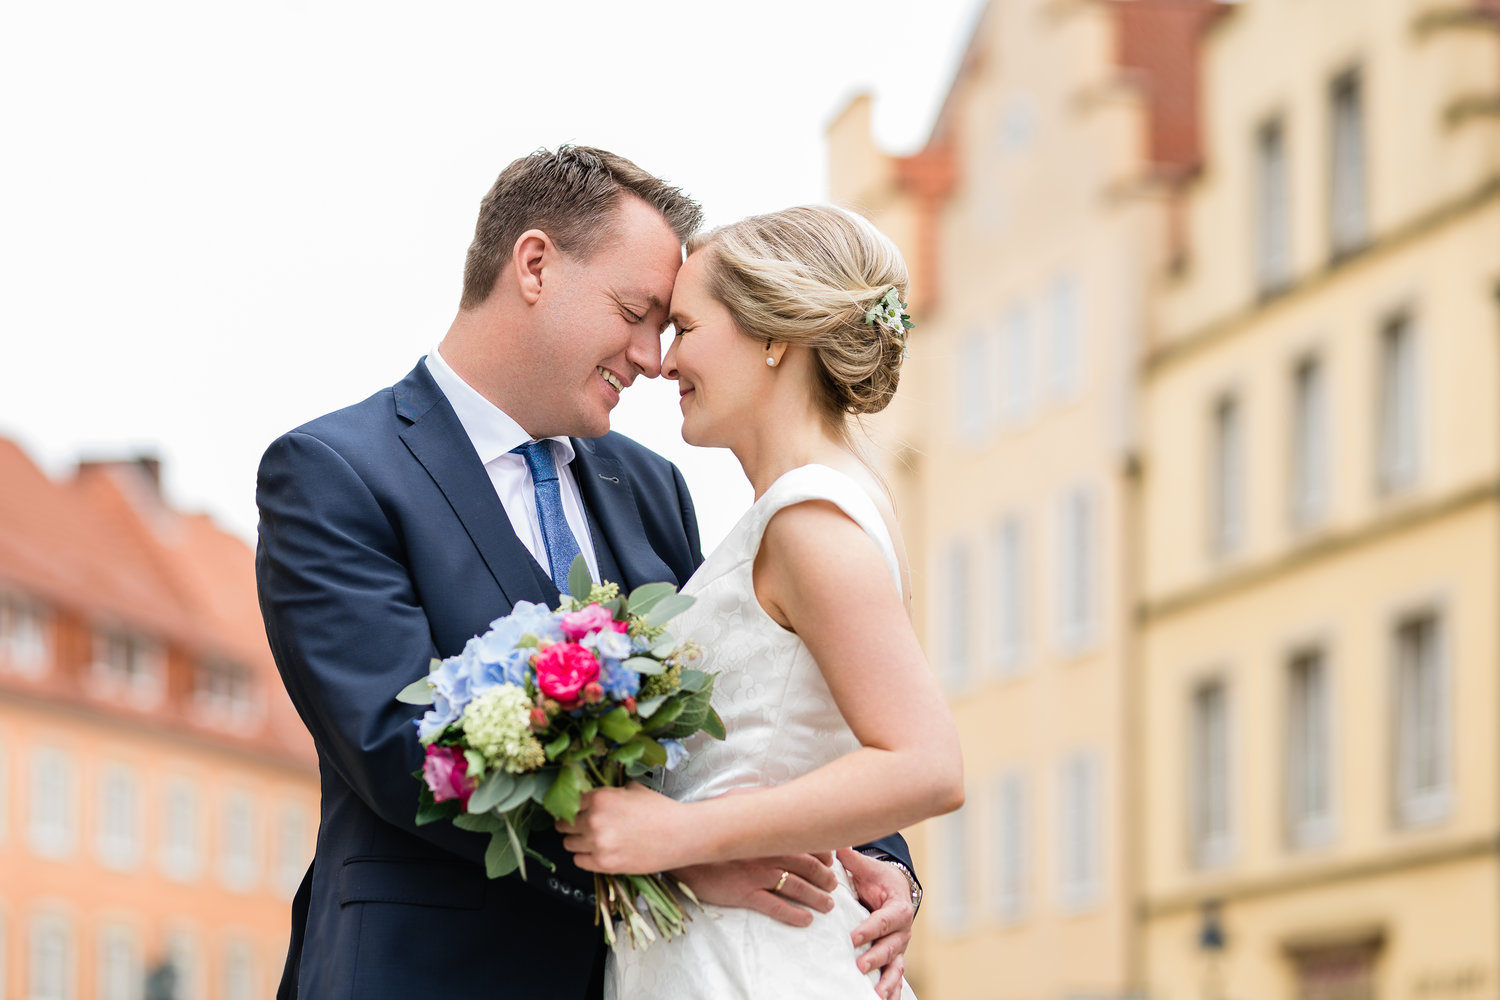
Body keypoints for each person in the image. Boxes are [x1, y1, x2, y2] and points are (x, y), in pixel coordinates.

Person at [255, 147, 922, 1000]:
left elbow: (761, 694)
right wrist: (670, 864)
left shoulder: (648, 487)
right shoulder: (335, 471)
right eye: (636, 311)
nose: (653, 356)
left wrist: (888, 863)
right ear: (534, 265)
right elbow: (396, 747)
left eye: (672, 325)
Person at [557, 205, 965, 998]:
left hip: (752, 962)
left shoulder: (811, 519)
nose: (664, 363)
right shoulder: (806, 508)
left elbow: (928, 764)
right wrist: (849, 845)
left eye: (685, 327)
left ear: (774, 336)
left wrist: (679, 833)